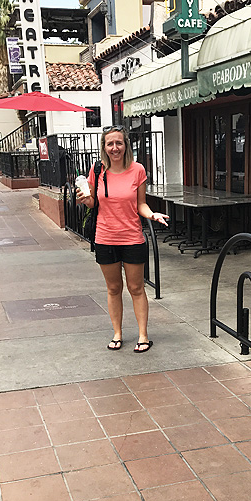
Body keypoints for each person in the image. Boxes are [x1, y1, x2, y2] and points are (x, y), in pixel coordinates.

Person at [76, 126, 168, 353]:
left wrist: (152, 215)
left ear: (126, 145)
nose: (115, 148)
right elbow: (93, 202)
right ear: (104, 147)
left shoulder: (137, 170)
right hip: (105, 237)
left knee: (136, 288)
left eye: (119, 143)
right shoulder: (97, 170)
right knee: (113, 288)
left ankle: (143, 335)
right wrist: (85, 200)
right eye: (110, 144)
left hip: (132, 237)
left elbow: (141, 204)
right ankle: (117, 333)